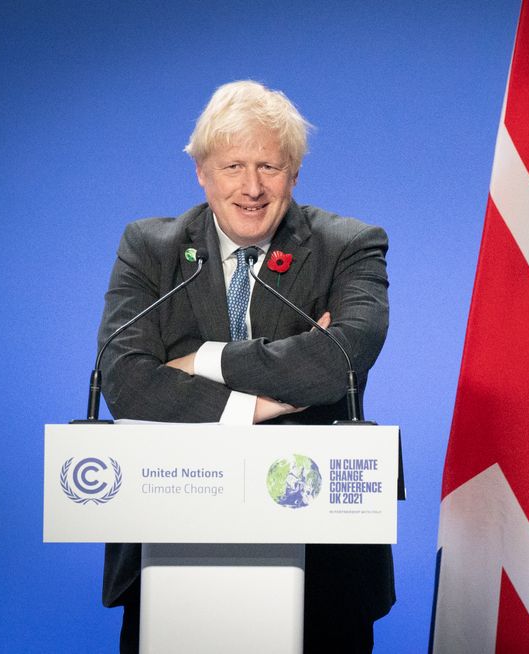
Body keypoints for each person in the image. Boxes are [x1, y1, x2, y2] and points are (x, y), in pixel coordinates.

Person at [96, 80, 394, 653]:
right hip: (169, 538)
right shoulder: (150, 249)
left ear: (295, 174)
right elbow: (126, 379)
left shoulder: (350, 246)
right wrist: (255, 405)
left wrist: (202, 360)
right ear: (202, 173)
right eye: (232, 166)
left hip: (323, 552)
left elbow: (340, 362)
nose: (252, 188)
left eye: (270, 167)